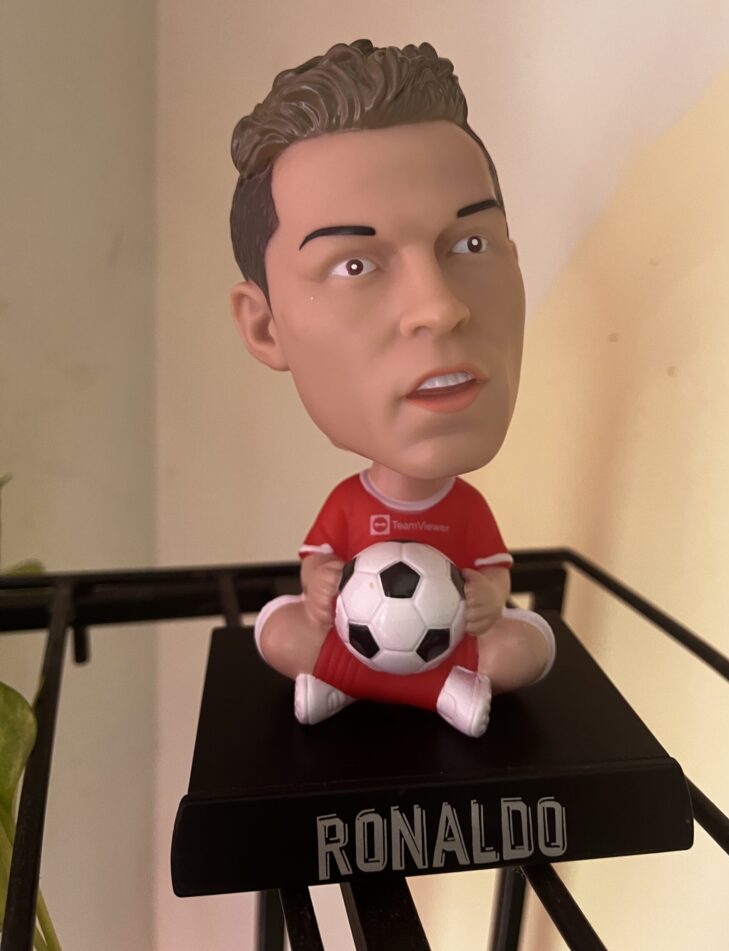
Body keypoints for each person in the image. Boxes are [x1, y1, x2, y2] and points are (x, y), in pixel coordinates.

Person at [230, 40, 555, 737]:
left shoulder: (466, 510)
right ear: (264, 325)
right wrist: (319, 586)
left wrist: (489, 597)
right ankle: (409, 687)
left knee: (525, 647)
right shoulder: (348, 504)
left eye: (471, 244)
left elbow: (492, 574)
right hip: (357, 640)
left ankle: (388, 682)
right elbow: (319, 561)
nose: (440, 308)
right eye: (354, 265)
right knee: (278, 629)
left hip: (453, 640)